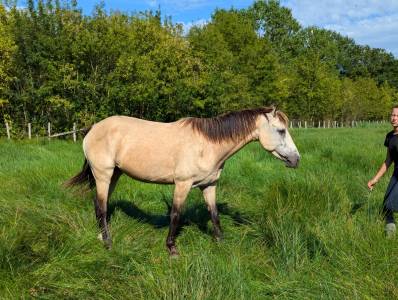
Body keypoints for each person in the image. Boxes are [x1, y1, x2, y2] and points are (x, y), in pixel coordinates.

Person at [368, 105, 398, 237]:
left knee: (391, 203)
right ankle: (390, 233)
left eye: (397, 115)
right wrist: (375, 179)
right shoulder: (390, 136)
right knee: (386, 205)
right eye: (392, 115)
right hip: (396, 173)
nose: (394, 118)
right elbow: (388, 161)